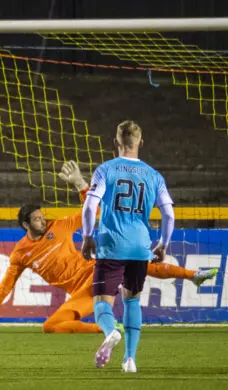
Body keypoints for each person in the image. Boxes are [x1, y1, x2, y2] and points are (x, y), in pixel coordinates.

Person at [0, 161, 216, 335]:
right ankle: (106, 329)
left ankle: (193, 276)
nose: (43, 220)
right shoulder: (20, 253)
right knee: (51, 326)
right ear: (25, 225)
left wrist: (80, 184)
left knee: (144, 264)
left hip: (95, 274)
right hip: (81, 292)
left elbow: (93, 210)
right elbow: (7, 284)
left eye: (42, 216)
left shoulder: (58, 226)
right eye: (37, 219)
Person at [82, 120, 175, 373]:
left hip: (112, 244)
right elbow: (169, 215)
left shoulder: (105, 170)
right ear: (140, 143)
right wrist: (163, 244)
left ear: (116, 142)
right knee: (132, 301)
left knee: (102, 300)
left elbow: (90, 206)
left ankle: (111, 331)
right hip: (139, 247)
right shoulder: (154, 176)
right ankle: (130, 360)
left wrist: (88, 236)